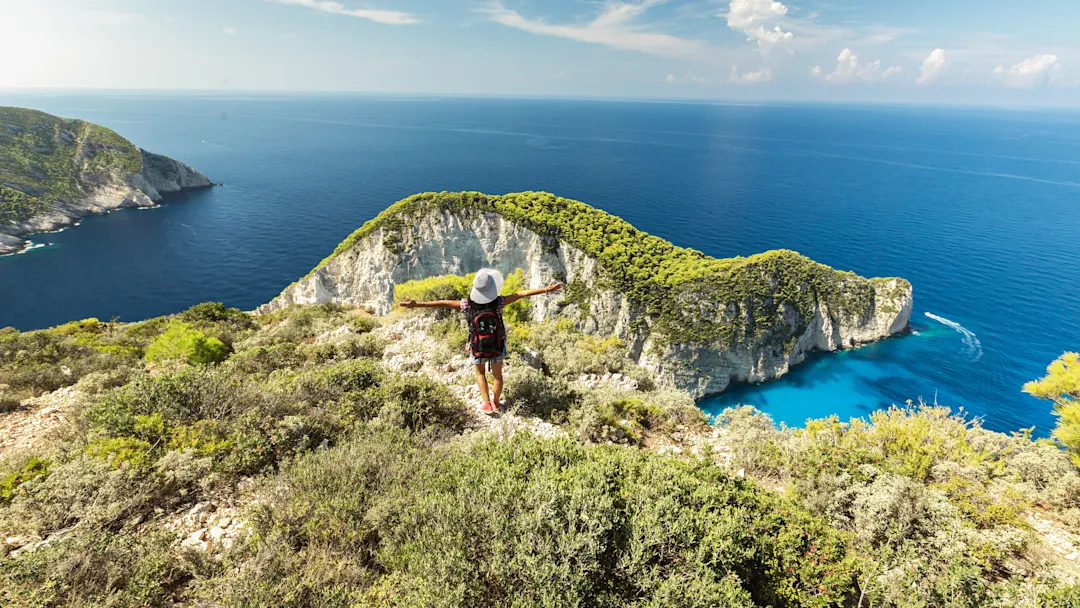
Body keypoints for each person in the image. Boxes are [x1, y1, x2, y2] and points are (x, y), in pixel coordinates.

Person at [399, 269, 563, 414]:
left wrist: (416, 304)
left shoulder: (465, 304)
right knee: (497, 376)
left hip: (477, 346)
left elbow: (441, 303)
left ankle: (486, 404)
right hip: (498, 345)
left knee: (480, 373)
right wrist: (546, 290)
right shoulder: (499, 302)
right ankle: (496, 402)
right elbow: (521, 294)